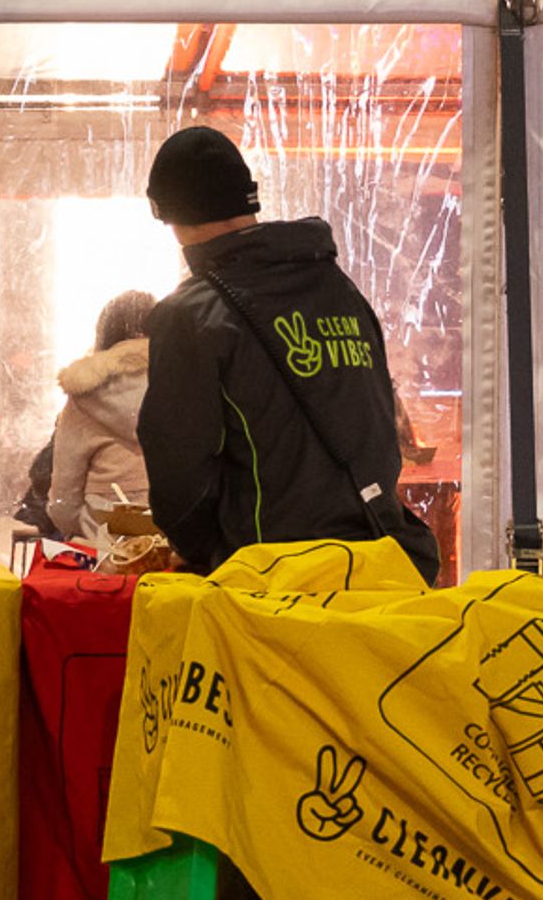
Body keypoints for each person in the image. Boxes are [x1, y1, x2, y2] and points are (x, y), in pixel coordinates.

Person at [131, 124, 438, 582]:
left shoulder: (192, 315)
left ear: (168, 216)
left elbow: (179, 475)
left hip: (270, 583)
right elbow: (380, 422)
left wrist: (208, 553)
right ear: (248, 199)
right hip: (374, 569)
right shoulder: (341, 291)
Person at [40, 289, 159, 544]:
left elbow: (64, 496)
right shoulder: (187, 380)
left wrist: (81, 527)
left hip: (103, 534)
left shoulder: (84, 392)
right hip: (174, 534)